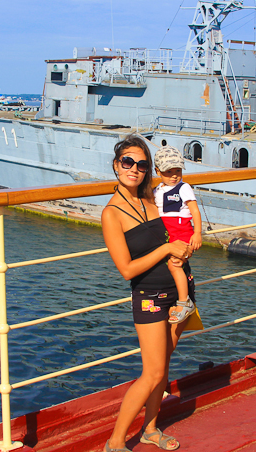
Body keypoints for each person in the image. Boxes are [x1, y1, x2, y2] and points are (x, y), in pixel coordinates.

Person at [102, 135, 194, 452]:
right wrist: (167, 247)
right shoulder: (111, 214)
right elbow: (127, 270)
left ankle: (151, 430)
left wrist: (182, 249)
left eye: (142, 164)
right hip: (150, 296)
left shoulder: (155, 199)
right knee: (152, 372)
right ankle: (115, 442)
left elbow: (179, 227)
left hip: (181, 289)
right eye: (128, 161)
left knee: (164, 366)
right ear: (116, 165)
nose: (135, 168)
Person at [153, 146, 202, 324]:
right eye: (168, 172)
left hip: (181, 232)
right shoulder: (158, 190)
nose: (174, 175)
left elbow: (194, 211)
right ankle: (176, 300)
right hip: (167, 233)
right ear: (157, 171)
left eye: (178, 171)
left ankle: (184, 302)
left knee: (174, 265)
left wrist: (197, 233)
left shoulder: (183, 188)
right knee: (168, 264)